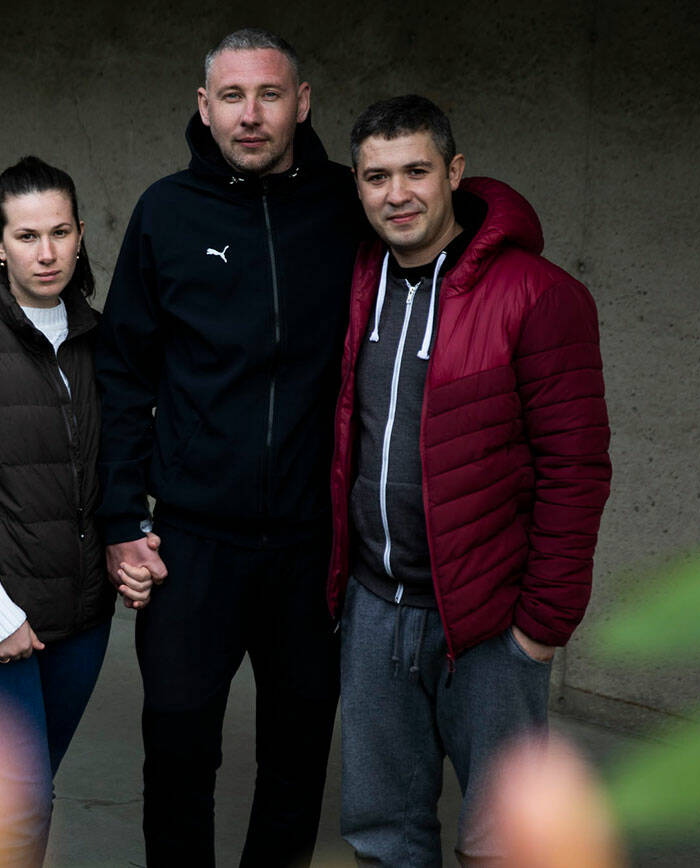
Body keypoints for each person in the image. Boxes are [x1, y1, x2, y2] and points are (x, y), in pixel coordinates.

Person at [95, 28, 364, 868]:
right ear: (204, 108)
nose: (252, 116)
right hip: (191, 543)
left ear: (303, 103)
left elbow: (433, 221)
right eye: (234, 97)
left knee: (296, 755)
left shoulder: (346, 206)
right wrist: (117, 518)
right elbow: (123, 373)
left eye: (270, 95)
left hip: (310, 544)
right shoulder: (165, 213)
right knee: (178, 750)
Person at [328, 94, 612, 866]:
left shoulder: (540, 296)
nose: (398, 193)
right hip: (376, 606)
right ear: (357, 187)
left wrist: (540, 629)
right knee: (383, 834)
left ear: (454, 172)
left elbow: (575, 468)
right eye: (377, 176)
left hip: (489, 622)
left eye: (416, 170)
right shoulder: (358, 285)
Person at [0, 156, 152, 866]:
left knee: (19, 800)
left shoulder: (100, 341)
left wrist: (129, 546)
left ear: (81, 236)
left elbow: (116, 466)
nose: (46, 253)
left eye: (61, 232)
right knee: (17, 803)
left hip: (78, 619)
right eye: (26, 235)